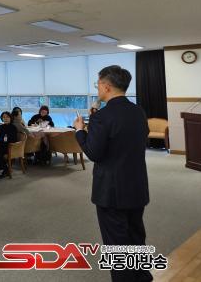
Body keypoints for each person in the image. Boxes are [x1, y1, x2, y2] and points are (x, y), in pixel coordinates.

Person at [74, 65, 152, 282]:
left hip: (111, 190)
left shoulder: (103, 117)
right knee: (136, 237)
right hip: (136, 186)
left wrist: (80, 131)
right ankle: (142, 277)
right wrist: (95, 120)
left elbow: (94, 153)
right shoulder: (138, 111)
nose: (97, 88)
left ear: (106, 86)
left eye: (98, 84)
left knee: (117, 245)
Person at [0, 112, 18, 178]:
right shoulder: (0, 127)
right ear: (2, 119)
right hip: (1, 145)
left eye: (7, 117)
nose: (5, 118)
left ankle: (5, 170)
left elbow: (14, 140)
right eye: (4, 117)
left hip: (10, 147)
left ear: (10, 118)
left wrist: (3, 140)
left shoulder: (13, 127)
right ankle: (1, 169)